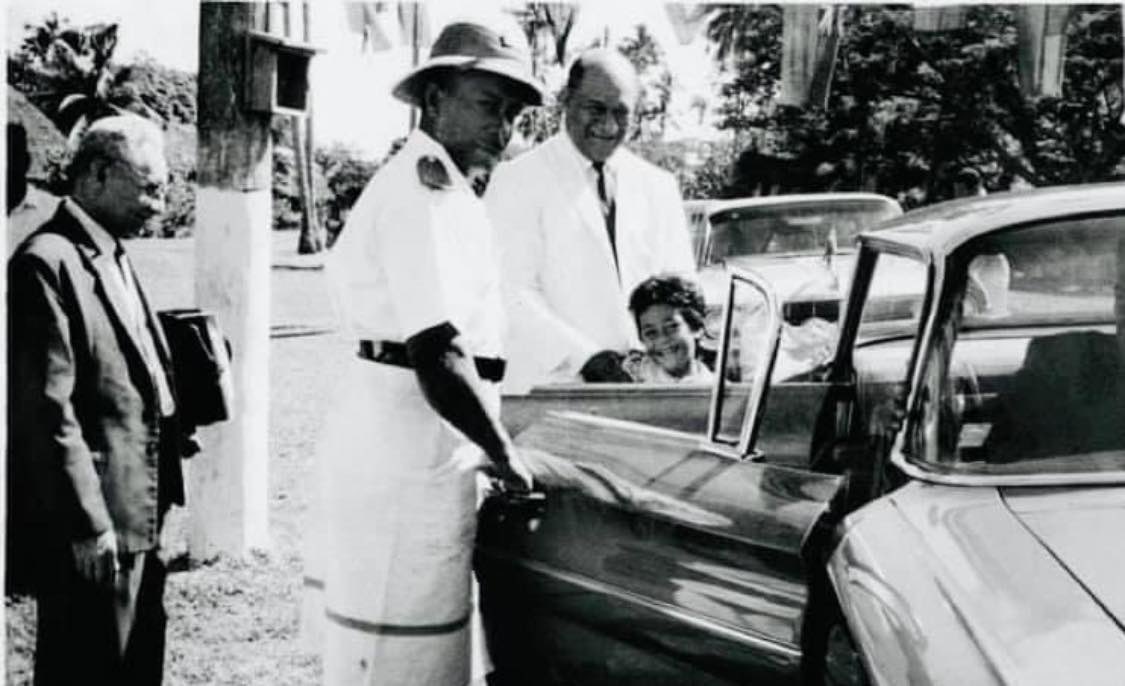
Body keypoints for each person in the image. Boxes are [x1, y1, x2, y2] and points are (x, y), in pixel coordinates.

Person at [315, 22, 541, 686]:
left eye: (513, 112)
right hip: (405, 447)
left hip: (427, 443)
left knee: (426, 644)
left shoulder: (450, 188)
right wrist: (504, 453)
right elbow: (438, 348)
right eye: (488, 103)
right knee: (397, 651)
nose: (503, 125)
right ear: (435, 99)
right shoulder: (420, 192)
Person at [8, 115, 191, 685]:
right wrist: (86, 522)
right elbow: (47, 410)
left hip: (140, 512)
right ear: (98, 174)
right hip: (96, 525)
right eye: (150, 188)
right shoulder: (46, 261)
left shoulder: (112, 252)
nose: (159, 205)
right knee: (87, 667)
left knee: (135, 666)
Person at [487, 49, 696, 393]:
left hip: (652, 390)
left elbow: (682, 292)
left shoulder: (658, 186)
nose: (609, 125)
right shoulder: (516, 180)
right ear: (566, 100)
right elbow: (511, 292)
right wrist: (586, 358)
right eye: (595, 109)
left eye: (621, 113)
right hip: (554, 388)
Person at [622, 274, 714, 383]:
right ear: (641, 339)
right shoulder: (632, 383)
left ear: (696, 327)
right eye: (651, 333)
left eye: (671, 327)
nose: (662, 339)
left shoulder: (715, 385)